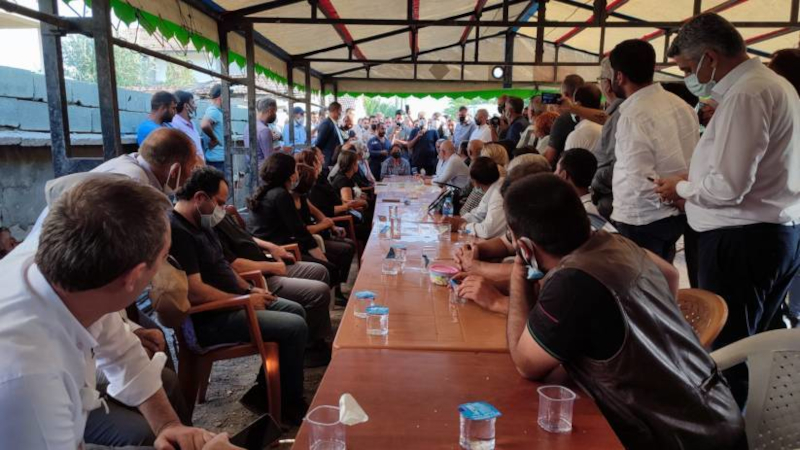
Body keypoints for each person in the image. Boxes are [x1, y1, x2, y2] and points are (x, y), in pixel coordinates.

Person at [504, 173, 746, 449]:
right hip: (720, 418)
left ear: (524, 247)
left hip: (677, 438)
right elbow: (669, 273)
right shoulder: (617, 243)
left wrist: (518, 272)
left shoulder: (571, 282)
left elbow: (526, 364)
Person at [0, 177, 240, 450]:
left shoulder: (78, 280)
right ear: (134, 277)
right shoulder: (28, 378)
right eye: (164, 258)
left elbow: (123, 353)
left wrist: (167, 425)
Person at [656, 12, 800, 406]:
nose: (690, 77)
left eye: (688, 68)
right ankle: (757, 419)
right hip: (770, 232)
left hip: (742, 240)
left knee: (731, 351)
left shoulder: (748, 94)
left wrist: (681, 187)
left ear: (710, 57)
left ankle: (731, 425)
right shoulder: (773, 86)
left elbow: (729, 186)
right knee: (755, 342)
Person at [171, 167, 309, 424]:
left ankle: (265, 393)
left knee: (295, 310)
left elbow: (224, 265)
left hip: (235, 303)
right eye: (219, 203)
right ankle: (288, 406)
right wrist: (244, 301)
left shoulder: (202, 223)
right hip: (212, 320)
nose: (222, 210)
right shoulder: (178, 231)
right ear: (200, 198)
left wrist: (249, 290)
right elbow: (195, 291)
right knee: (294, 326)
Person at [609, 39, 699, 263]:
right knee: (664, 274)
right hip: (677, 214)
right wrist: (680, 198)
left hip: (642, 219)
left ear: (619, 76)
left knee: (643, 280)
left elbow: (641, 181)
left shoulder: (633, 116)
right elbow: (695, 161)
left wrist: (673, 197)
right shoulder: (682, 106)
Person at [292, 164, 357, 291]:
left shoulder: (303, 197)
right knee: (342, 251)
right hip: (304, 241)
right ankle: (334, 288)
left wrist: (332, 226)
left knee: (349, 245)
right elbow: (302, 231)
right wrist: (324, 225)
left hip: (314, 236)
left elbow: (317, 213)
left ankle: (338, 287)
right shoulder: (288, 200)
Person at [555, 148, 616, 233]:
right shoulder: (584, 210)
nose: (554, 174)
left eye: (556, 170)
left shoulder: (579, 216)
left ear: (564, 175)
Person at [445, 157, 506, 239]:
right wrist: (461, 220)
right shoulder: (495, 187)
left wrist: (462, 226)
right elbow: (479, 214)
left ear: (475, 183)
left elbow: (487, 231)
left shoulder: (500, 193)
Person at [543, 74, 584, 166]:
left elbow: (549, 157)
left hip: (566, 170)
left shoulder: (563, 120)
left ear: (565, 95)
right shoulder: (593, 116)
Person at [563, 84, 603, 152]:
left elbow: (569, 159)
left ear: (578, 104)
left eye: (573, 103)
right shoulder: (607, 128)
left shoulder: (576, 136)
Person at [243, 97, 278, 170]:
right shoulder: (264, 130)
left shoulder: (248, 126)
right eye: (275, 112)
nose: (275, 114)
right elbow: (269, 158)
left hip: (252, 169)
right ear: (270, 111)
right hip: (263, 171)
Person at [170, 90, 205, 164]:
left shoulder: (191, 123)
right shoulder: (175, 125)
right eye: (193, 103)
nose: (195, 106)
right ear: (186, 106)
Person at [201, 84, 226, 173]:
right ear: (221, 97)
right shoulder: (214, 111)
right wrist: (214, 139)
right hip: (217, 160)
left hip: (218, 158)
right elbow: (204, 125)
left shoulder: (217, 111)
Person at [315, 102, 344, 167]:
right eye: (340, 111)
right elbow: (319, 144)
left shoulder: (334, 123)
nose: (340, 113)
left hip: (334, 159)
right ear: (335, 110)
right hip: (328, 162)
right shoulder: (326, 124)